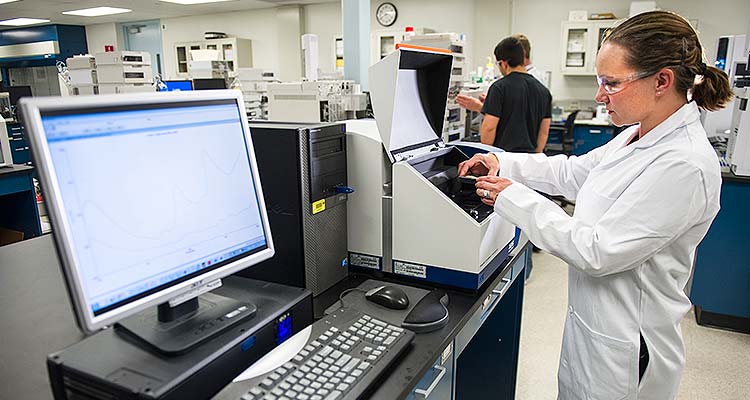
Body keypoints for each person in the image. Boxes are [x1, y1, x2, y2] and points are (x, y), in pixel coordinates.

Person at [458, 10, 731, 400]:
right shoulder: (636, 136)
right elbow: (573, 172)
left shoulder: (684, 164)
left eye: (611, 83)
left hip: (628, 349)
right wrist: (504, 161)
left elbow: (598, 250)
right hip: (594, 331)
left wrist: (509, 196)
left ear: (662, 81)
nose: (601, 96)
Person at [457, 36, 552, 153]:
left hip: (504, 159)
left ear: (504, 63)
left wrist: (485, 155)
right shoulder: (543, 91)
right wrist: (534, 157)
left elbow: (489, 128)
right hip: (529, 159)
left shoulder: (499, 88)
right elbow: (544, 132)